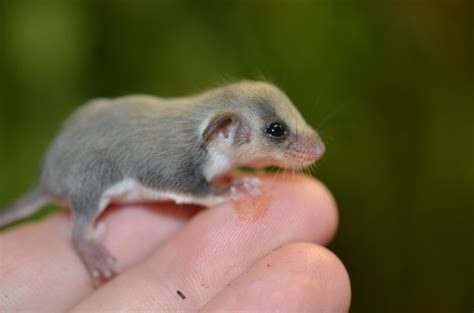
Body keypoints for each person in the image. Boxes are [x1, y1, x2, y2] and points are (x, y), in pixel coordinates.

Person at [0, 175, 351, 311]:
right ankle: (82, 236)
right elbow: (171, 179)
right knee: (94, 179)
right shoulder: (185, 157)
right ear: (227, 129)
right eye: (276, 133)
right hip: (79, 165)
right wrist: (218, 195)